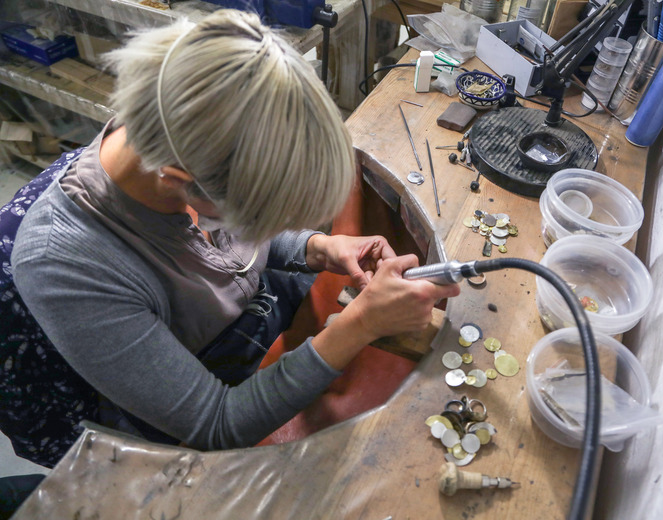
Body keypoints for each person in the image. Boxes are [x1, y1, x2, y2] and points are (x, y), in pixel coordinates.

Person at [1, 9, 459, 468]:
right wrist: (361, 325)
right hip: (208, 397)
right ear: (177, 181)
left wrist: (316, 248)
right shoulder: (65, 265)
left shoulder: (185, 132)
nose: (259, 228)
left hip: (257, 315)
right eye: (258, 216)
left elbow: (239, 237)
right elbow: (218, 423)